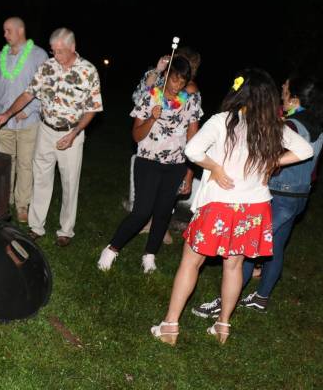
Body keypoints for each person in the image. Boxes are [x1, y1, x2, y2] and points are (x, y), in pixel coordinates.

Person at [150, 69, 313, 345]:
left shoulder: (223, 120)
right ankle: (222, 326)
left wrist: (214, 167)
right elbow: (305, 150)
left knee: (191, 262)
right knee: (234, 267)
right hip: (253, 209)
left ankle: (170, 326)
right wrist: (273, 162)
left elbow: (192, 151)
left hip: (220, 206)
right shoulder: (273, 127)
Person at [191, 75, 323, 319]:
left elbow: (273, 154)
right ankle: (261, 297)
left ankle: (224, 304)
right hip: (301, 194)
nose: (281, 91)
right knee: (275, 246)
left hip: (281, 193)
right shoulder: (315, 122)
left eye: (285, 88)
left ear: (295, 97)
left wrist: (273, 161)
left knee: (246, 249)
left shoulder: (289, 125)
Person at [0, 28, 102, 247]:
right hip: (45, 130)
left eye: (60, 51)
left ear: (73, 48)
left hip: (72, 132)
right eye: (54, 51)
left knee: (70, 182)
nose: (56, 56)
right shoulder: (47, 67)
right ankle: (36, 226)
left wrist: (75, 133)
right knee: (40, 177)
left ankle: (65, 230)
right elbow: (28, 94)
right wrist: (7, 113)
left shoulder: (88, 71)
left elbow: (92, 108)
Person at [98, 56, 201, 273]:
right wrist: (152, 119)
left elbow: (194, 141)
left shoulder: (190, 102)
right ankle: (111, 249)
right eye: (174, 80)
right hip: (147, 162)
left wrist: (189, 174)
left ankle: (150, 255)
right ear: (166, 76)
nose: (177, 86)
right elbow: (136, 136)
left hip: (176, 165)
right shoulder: (149, 97)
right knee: (142, 212)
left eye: (182, 82)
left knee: (163, 212)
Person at [130, 47, 203, 244]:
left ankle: (158, 227)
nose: (190, 71)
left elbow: (192, 134)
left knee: (166, 197)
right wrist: (157, 70)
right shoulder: (162, 82)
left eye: (193, 68)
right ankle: (147, 222)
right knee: (145, 201)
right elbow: (139, 98)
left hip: (174, 157)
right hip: (149, 152)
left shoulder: (191, 93)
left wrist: (189, 172)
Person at [0, 17, 48, 223]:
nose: (5, 35)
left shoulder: (39, 55)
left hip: (28, 120)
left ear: (20, 30)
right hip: (2, 120)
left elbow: (45, 89)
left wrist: (31, 110)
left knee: (25, 163)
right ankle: (5, 200)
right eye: (4, 31)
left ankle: (22, 205)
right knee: (5, 163)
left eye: (8, 30)